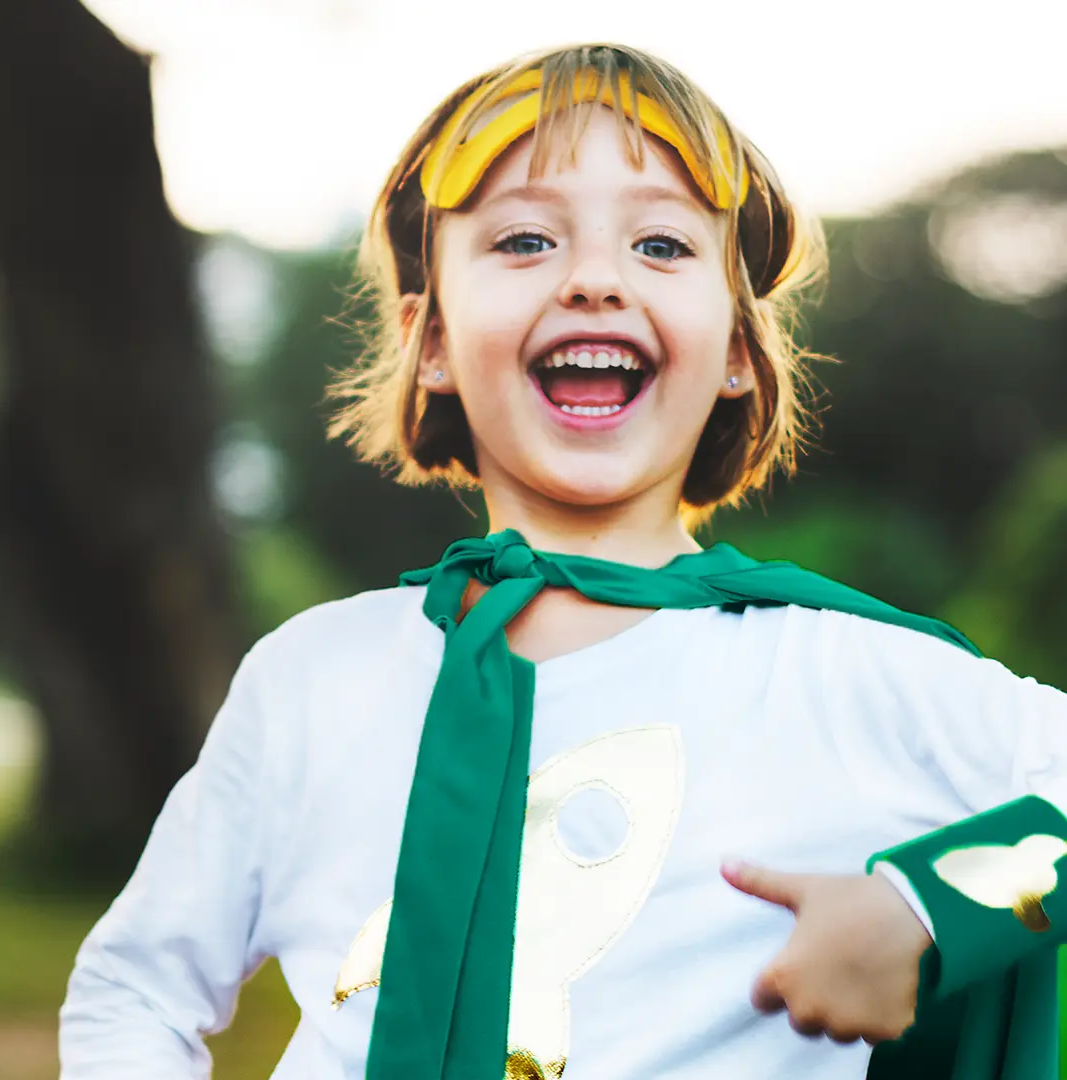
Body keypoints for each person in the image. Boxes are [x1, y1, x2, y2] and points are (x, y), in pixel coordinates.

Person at [57, 42, 1067, 1080]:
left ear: (736, 348)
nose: (593, 280)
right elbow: (135, 991)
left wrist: (931, 909)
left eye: (662, 245)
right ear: (430, 340)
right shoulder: (309, 683)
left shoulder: (847, 677)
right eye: (526, 240)